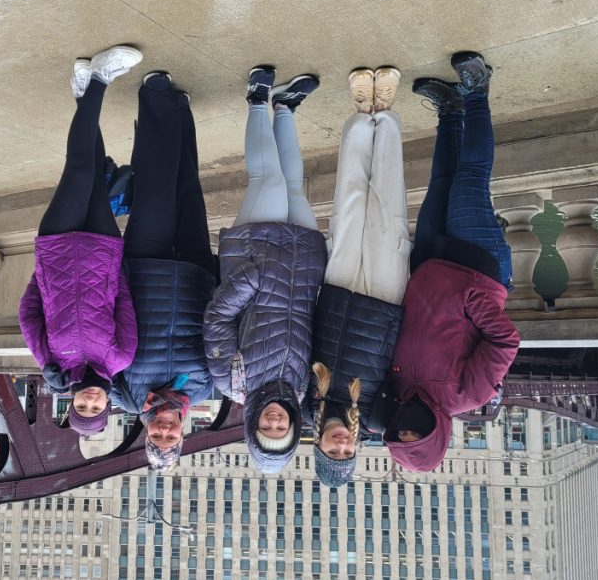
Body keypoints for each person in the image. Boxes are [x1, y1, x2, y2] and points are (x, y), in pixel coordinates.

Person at [384, 51, 520, 472]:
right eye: (416, 434)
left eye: (400, 433)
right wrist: (470, 299)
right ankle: (477, 91)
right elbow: (504, 341)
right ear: (436, 435)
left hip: (429, 262)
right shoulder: (467, 395)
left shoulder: (397, 387)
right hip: (477, 268)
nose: (407, 427)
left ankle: (449, 110)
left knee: (441, 181)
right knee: (470, 179)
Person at [204, 66, 328, 474]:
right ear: (294, 427)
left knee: (266, 179)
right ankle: (287, 107)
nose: (275, 421)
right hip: (302, 267)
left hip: (253, 260)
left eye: (266, 428)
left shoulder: (232, 382)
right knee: (293, 185)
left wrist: (256, 276)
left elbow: (219, 316)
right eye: (282, 429)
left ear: (252, 424)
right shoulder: (304, 388)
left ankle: (258, 98)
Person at [18, 44, 142, 437]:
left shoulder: (52, 361)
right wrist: (111, 268)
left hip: (55, 247)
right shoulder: (120, 357)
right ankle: (83, 92)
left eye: (82, 407)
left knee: (78, 168)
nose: (90, 401)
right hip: (103, 249)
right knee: (93, 174)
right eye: (96, 407)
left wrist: (44, 276)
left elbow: (28, 313)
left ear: (71, 401)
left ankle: (100, 80)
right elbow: (124, 299)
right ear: (108, 403)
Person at [108, 71, 218, 470]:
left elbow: (97, 361)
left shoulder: (125, 394)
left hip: (143, 270)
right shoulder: (205, 388)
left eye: (156, 437)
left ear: (147, 432)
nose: (164, 431)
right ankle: (180, 109)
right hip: (194, 274)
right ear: (182, 435)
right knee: (188, 184)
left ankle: (155, 96)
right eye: (170, 438)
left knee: (155, 189)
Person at [310, 66, 411, 488]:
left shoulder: (303, 402)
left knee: (348, 203)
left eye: (331, 452)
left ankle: (360, 110)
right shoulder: (373, 416)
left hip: (335, 293)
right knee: (389, 205)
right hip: (386, 300)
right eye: (346, 453)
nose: (340, 446)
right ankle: (385, 112)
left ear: (317, 444)